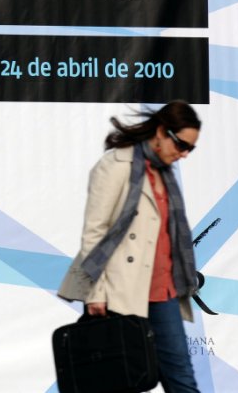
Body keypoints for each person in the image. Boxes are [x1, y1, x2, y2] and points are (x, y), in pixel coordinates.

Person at [58, 101, 202, 392]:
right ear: (161, 131)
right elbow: (95, 232)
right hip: (119, 291)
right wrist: (95, 293)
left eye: (191, 149)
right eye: (181, 144)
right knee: (118, 379)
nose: (184, 154)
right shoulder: (116, 165)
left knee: (182, 379)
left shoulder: (165, 173)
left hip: (164, 291)